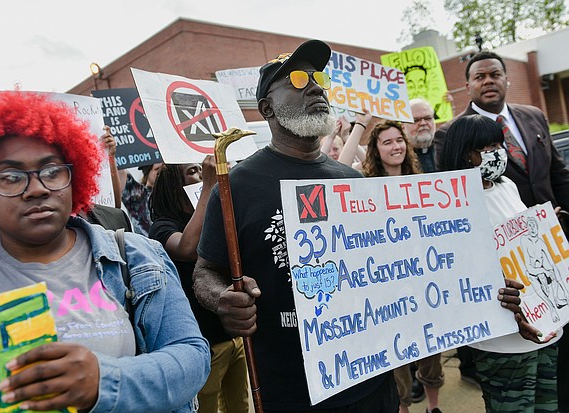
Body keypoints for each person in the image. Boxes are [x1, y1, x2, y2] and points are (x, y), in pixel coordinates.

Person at [0, 91, 210, 413]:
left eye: (52, 171)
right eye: (11, 177)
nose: (37, 188)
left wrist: (105, 381)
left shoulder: (138, 257)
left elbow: (192, 357)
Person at [193, 39, 400, 412]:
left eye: (319, 77)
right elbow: (207, 270)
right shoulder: (236, 185)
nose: (317, 86)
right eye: (299, 80)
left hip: (372, 380)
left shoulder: (353, 180)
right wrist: (223, 299)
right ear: (267, 107)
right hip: (290, 389)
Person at [434, 50, 569, 406]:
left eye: (499, 145)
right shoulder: (451, 205)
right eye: (486, 148)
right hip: (502, 337)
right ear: (464, 155)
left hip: (546, 325)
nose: (497, 153)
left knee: (548, 402)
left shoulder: (508, 186)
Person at [148, 156, 249, 413]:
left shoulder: (215, 219)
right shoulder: (162, 227)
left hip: (230, 337)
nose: (203, 174)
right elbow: (188, 249)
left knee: (239, 405)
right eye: (193, 171)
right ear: (174, 186)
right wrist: (208, 187)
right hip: (203, 344)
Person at [361, 121, 445, 413]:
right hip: (389, 287)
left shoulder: (421, 183)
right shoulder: (365, 187)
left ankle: (434, 407)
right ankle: (404, 408)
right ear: (375, 149)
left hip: (425, 281)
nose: (396, 146)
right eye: (387, 142)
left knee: (432, 348)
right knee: (398, 353)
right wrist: (359, 123)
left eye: (399, 140)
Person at [119, 162, 163, 236]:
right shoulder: (138, 195)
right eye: (157, 169)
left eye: (164, 168)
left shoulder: (172, 195)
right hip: (146, 244)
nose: (162, 172)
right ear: (148, 172)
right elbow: (121, 171)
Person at [404, 98, 437, 173]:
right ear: (403, 125)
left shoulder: (446, 150)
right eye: (416, 120)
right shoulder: (399, 158)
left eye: (427, 118)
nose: (423, 123)